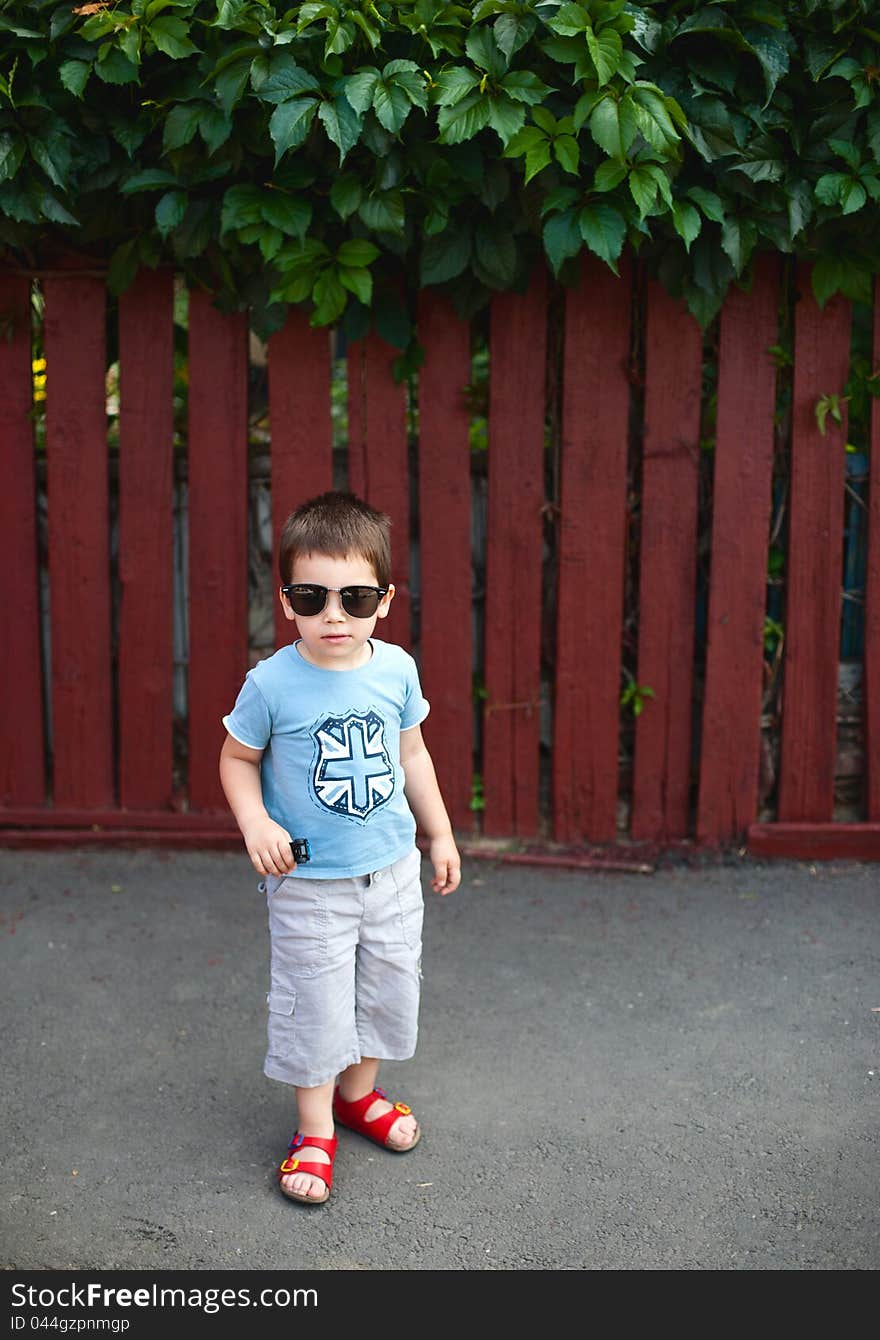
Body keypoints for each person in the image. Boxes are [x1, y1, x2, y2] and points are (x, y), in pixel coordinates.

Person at [219, 490, 461, 1205]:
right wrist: (257, 824)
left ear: (383, 601)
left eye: (354, 597)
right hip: (311, 881)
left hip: (390, 873)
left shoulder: (395, 670)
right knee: (316, 1003)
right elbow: (236, 761)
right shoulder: (271, 685)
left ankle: (359, 1096)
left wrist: (440, 831)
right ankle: (315, 1128)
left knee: (388, 991)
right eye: (311, 595)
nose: (334, 614)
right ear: (287, 599)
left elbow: (413, 754)